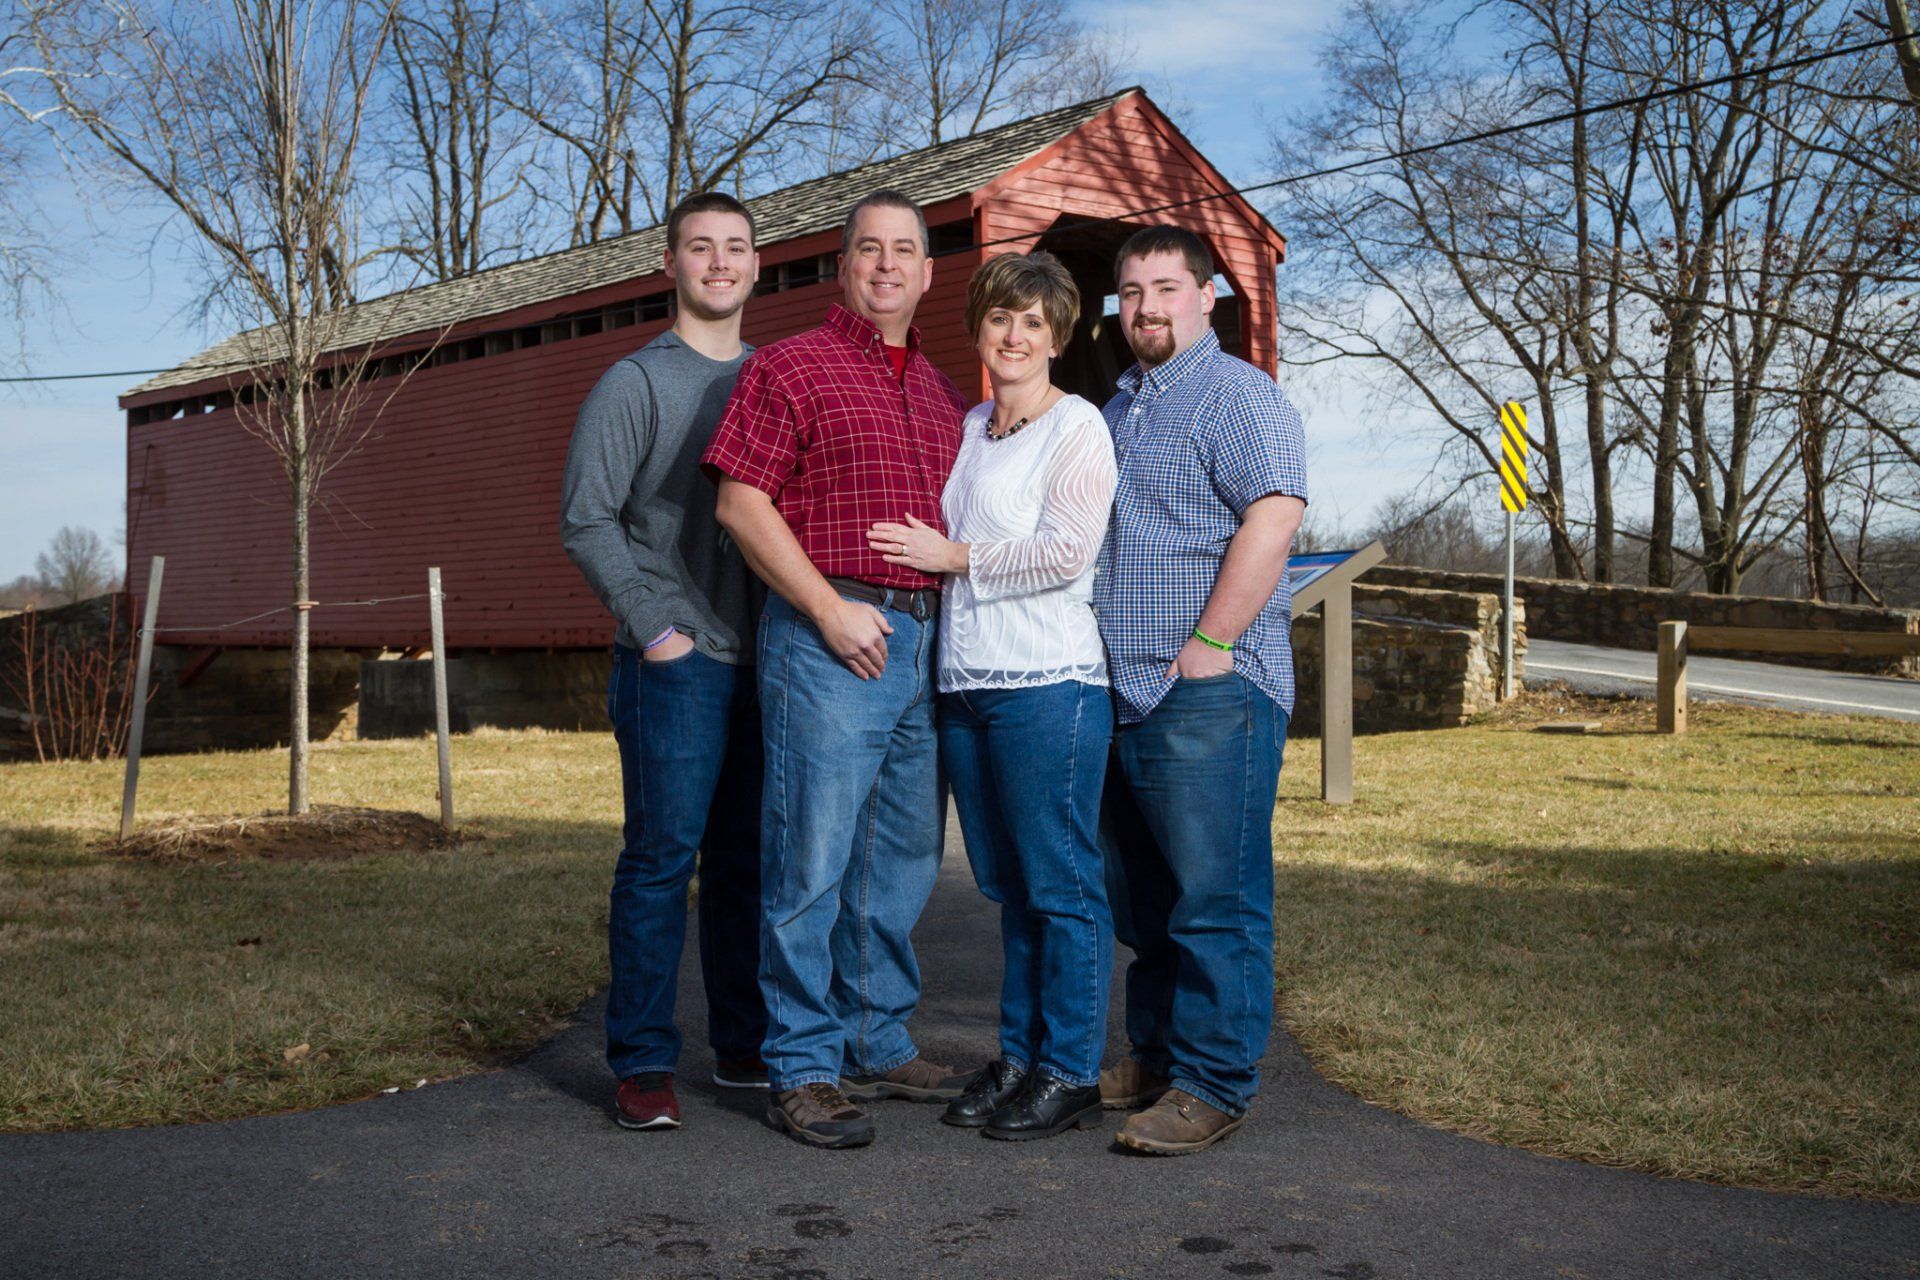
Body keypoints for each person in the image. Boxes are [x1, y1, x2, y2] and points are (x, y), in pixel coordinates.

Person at [702, 189, 973, 1150]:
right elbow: (741, 505)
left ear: (929, 272)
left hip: (923, 641)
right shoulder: (790, 367)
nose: (888, 265)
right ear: (843, 265)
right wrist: (825, 607)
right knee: (809, 855)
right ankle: (804, 1065)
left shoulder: (944, 395)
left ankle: (876, 1038)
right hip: (827, 637)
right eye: (870, 249)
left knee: (898, 860)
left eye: (906, 251)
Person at [865, 251, 1117, 1142]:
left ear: (1057, 338)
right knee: (1009, 889)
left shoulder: (1076, 426)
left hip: (1048, 684)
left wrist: (955, 557)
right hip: (966, 688)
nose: (1015, 336)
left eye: (1034, 325)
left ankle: (1072, 1068)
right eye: (1002, 319)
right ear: (978, 325)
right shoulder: (972, 425)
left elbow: (1066, 553)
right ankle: (1019, 1054)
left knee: (1062, 885)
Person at [1093, 225, 1308, 1156]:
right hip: (1121, 692)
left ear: (1206, 295)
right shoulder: (1116, 410)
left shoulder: (1239, 396)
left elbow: (1275, 514)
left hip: (1207, 688)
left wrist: (1212, 642)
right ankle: (1158, 1056)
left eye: (1166, 288)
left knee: (1215, 897)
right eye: (1132, 290)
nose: (1147, 306)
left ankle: (1214, 1082)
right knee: (1145, 901)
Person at [559, 192, 769, 1132]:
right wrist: (657, 630)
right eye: (700, 249)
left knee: (744, 865)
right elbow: (586, 518)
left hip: (767, 661)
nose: (719, 263)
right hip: (675, 662)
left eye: (735, 248)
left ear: (757, 266)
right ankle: (643, 1061)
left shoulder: (777, 377)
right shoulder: (634, 384)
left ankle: (743, 1045)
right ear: (671, 265)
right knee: (659, 861)